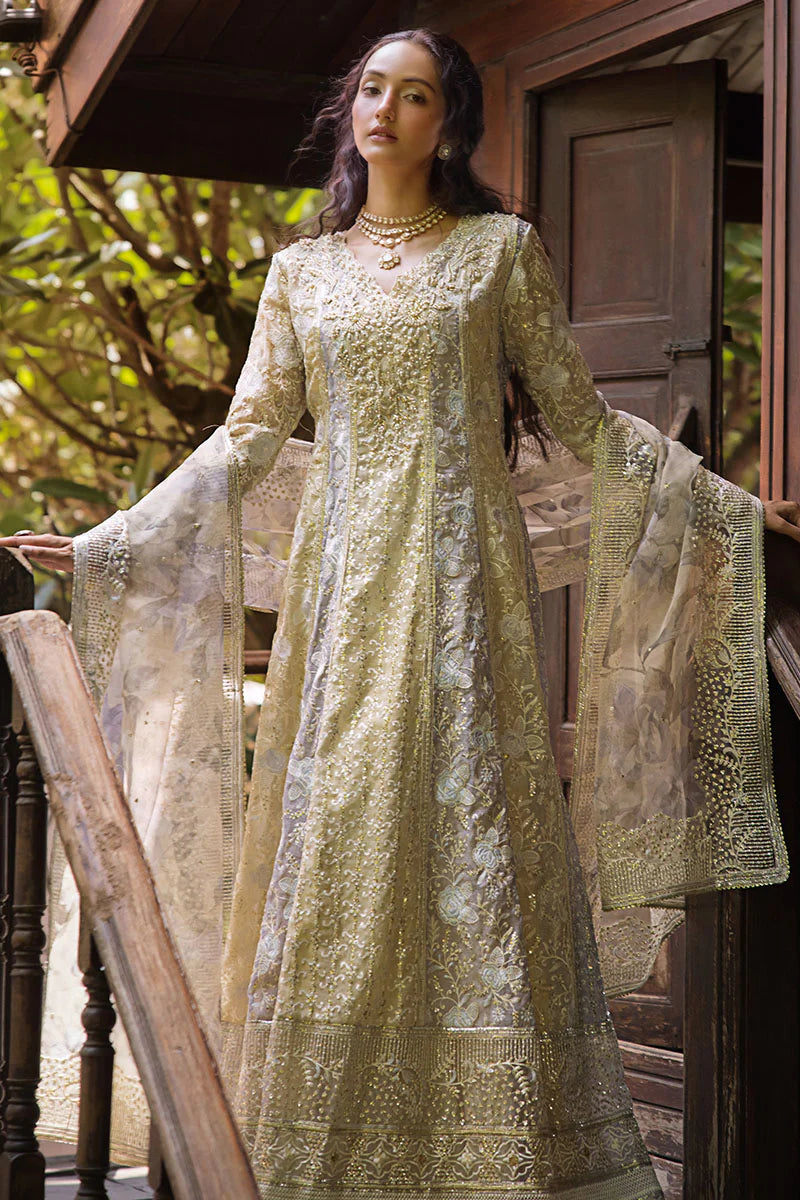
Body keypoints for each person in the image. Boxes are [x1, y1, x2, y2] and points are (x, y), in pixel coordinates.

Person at [4, 26, 798, 1200]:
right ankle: (330, 1142)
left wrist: (729, 508)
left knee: (470, 836)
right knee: (342, 831)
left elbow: (582, 422)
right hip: (342, 600)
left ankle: (498, 1145)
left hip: (467, 596)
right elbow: (245, 440)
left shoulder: (496, 254)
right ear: (351, 110)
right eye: (371, 88)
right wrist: (113, 540)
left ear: (447, 122)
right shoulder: (300, 273)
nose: (385, 108)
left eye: (414, 94)